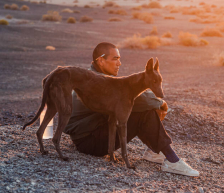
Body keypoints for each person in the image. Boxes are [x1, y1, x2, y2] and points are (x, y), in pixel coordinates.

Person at [63, 42, 199, 177]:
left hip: (86, 137)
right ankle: (172, 160)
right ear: (101, 61)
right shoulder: (98, 81)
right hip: (90, 142)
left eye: (119, 59)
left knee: (132, 109)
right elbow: (143, 100)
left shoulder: (94, 77)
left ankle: (154, 151)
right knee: (144, 113)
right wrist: (161, 103)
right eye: (115, 59)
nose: (119, 63)